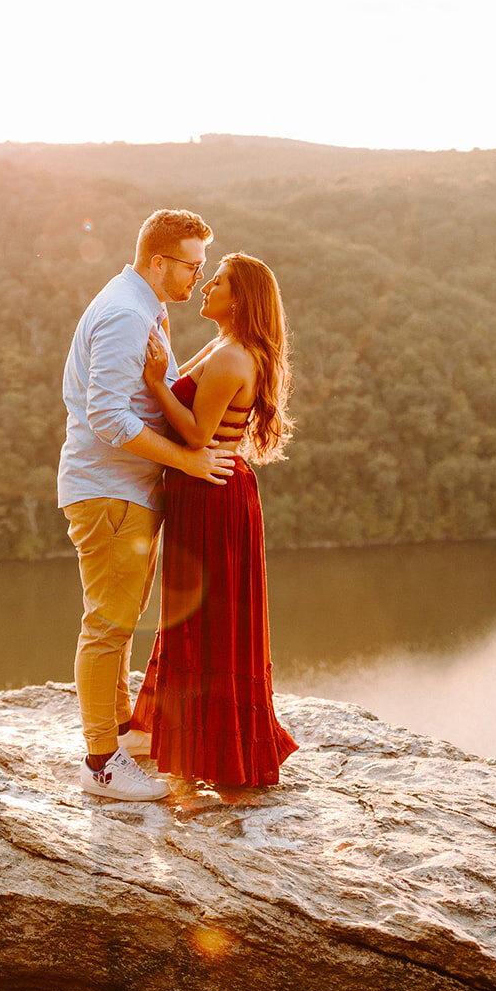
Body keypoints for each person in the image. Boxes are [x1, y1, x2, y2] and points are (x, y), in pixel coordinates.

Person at [58, 208, 237, 802]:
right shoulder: (124, 314)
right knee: (107, 626)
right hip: (109, 492)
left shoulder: (144, 307)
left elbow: (140, 393)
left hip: (127, 491)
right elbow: (109, 416)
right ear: (158, 261)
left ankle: (123, 736)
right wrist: (187, 460)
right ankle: (101, 763)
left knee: (119, 620)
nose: (198, 277)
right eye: (191, 265)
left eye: (203, 266)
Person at [128, 252, 298, 788]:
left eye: (217, 282)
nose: (206, 287)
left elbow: (198, 436)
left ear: (239, 298)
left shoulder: (232, 359)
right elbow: (188, 383)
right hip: (207, 490)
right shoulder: (226, 347)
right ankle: (191, 740)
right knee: (197, 617)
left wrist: (155, 384)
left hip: (211, 493)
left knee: (204, 620)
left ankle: (210, 751)